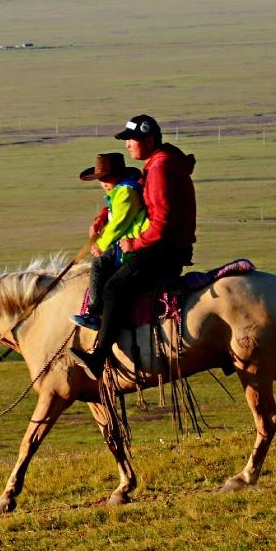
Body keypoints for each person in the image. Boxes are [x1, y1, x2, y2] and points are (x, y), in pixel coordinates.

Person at [71, 114, 197, 381]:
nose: (128, 145)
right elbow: (128, 195)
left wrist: (134, 243)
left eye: (132, 139)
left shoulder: (161, 168)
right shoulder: (158, 163)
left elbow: (162, 222)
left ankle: (99, 356)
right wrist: (103, 216)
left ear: (149, 140)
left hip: (164, 249)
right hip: (163, 245)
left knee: (115, 287)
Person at [72, 152, 148, 331]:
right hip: (125, 240)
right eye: (100, 179)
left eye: (105, 178)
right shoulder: (121, 191)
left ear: (117, 176)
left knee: (99, 266)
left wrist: (101, 244)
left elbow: (118, 224)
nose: (102, 183)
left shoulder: (126, 193)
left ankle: (94, 314)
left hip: (130, 242)